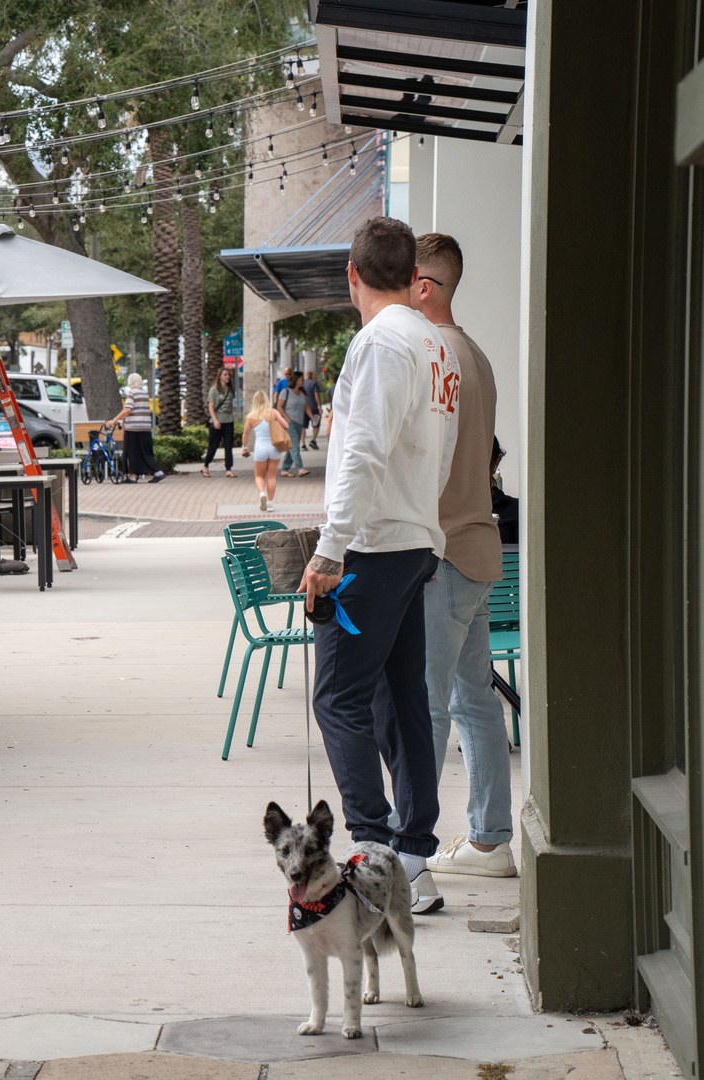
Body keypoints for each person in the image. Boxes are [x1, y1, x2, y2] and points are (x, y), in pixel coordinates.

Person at [299, 216, 460, 916]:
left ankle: (370, 848)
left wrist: (329, 552)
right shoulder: (436, 345)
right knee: (400, 700)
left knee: (337, 697)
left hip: (374, 545)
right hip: (416, 539)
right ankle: (414, 854)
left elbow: (361, 454)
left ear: (352, 275)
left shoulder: (377, 343)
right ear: (412, 275)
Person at [408, 232, 515, 880]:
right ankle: (489, 840)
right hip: (477, 550)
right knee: (475, 700)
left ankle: (412, 859)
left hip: (442, 553)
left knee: (426, 705)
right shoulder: (473, 354)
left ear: (423, 283)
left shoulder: (431, 356)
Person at [239, 389, 289, 512]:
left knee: (259, 476)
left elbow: (245, 434)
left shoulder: (251, 416)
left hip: (260, 448)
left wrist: (244, 446)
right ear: (267, 400)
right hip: (274, 447)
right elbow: (286, 425)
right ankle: (271, 504)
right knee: (272, 476)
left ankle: (262, 494)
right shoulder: (273, 412)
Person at [111, 373, 164, 483]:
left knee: (131, 452)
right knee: (145, 452)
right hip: (145, 428)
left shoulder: (132, 393)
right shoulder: (144, 393)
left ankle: (133, 476)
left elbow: (127, 409)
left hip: (133, 428)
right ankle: (154, 473)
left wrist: (114, 420)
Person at [201, 368, 238, 478]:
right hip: (216, 422)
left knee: (228, 445)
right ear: (220, 376)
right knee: (213, 445)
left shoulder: (230, 389)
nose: (227, 376)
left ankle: (228, 469)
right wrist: (216, 420)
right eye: (225, 374)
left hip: (228, 421)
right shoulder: (214, 390)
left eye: (228, 375)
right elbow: (211, 407)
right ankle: (206, 466)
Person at [277, 371, 314, 478]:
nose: (303, 381)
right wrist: (286, 418)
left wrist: (312, 418)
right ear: (296, 380)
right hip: (289, 423)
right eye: (301, 379)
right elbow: (279, 406)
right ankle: (300, 468)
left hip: (299, 423)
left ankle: (284, 469)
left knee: (292, 446)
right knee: (295, 446)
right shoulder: (286, 391)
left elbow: (306, 407)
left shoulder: (303, 394)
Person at [303, 371, 324, 450]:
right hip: (314, 408)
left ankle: (303, 444)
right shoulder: (314, 383)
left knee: (303, 427)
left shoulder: (303, 383)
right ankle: (313, 440)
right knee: (316, 425)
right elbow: (316, 396)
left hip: (304, 408)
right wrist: (320, 406)